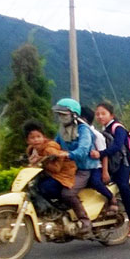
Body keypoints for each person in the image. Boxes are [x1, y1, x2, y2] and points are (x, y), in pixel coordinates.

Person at [53, 98, 102, 235]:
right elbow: (54, 145)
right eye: (59, 114)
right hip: (68, 168)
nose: (61, 117)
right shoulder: (62, 130)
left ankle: (85, 220)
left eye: (64, 114)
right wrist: (40, 151)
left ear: (74, 114)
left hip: (83, 169)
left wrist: (67, 155)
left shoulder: (83, 129)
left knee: (67, 193)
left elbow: (83, 151)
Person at [90, 101, 130, 238]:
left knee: (123, 186)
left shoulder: (118, 128)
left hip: (123, 164)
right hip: (112, 165)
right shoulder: (102, 130)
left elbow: (117, 146)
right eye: (98, 114)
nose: (100, 116)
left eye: (103, 113)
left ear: (111, 115)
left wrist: (100, 154)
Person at [23, 119, 83, 219]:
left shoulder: (49, 149)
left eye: (38, 136)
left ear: (44, 137)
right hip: (49, 174)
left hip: (63, 175)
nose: (36, 140)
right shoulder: (31, 150)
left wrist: (41, 161)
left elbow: (56, 168)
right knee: (33, 187)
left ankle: (61, 206)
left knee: (45, 188)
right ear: (27, 140)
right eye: (32, 138)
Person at [79, 105, 117, 216]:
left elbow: (103, 154)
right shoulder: (78, 133)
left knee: (95, 182)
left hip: (97, 167)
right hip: (84, 166)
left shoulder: (96, 135)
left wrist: (105, 172)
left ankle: (111, 197)